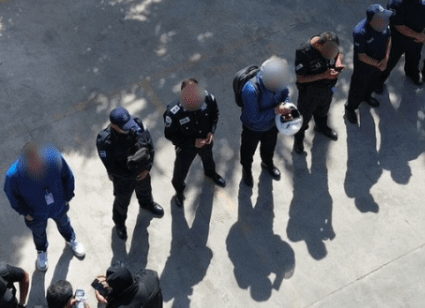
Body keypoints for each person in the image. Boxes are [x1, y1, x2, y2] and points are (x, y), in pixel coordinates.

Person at [4, 143, 86, 272]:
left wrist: (67, 196)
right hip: (35, 214)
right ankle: (41, 251)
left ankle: (71, 239)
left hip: (58, 205)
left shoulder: (54, 158)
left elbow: (68, 176)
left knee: (65, 223)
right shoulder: (13, 176)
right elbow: (13, 198)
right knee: (39, 233)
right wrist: (25, 213)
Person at [98, 107, 165, 241]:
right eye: (124, 126)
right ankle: (120, 224)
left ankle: (147, 204)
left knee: (145, 190)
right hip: (123, 178)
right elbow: (111, 167)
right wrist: (129, 176)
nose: (129, 128)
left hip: (142, 171)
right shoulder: (105, 141)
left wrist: (147, 168)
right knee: (121, 202)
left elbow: (149, 146)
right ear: (115, 126)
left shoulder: (137, 124)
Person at [163, 79, 227, 207]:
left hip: (206, 141)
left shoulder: (208, 99)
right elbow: (170, 135)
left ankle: (210, 174)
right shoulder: (173, 112)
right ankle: (179, 192)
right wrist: (192, 142)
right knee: (180, 173)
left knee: (208, 160)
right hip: (186, 148)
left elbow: (215, 114)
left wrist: (211, 132)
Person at [240, 57, 293, 186]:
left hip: (271, 126)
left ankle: (267, 163)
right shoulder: (250, 90)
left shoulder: (279, 80)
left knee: (269, 148)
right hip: (253, 129)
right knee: (247, 152)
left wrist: (286, 104)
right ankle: (246, 170)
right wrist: (275, 111)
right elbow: (254, 117)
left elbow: (285, 93)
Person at [292, 33, 343, 154]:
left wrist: (338, 65)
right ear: (319, 46)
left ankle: (321, 127)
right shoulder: (304, 53)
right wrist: (323, 75)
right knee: (303, 119)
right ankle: (298, 141)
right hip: (310, 94)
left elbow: (339, 55)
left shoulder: (330, 43)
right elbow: (300, 78)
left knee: (323, 111)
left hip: (327, 90)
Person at [382, 0, 425, 87]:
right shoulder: (397, 2)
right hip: (399, 39)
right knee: (390, 61)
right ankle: (379, 81)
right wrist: (418, 35)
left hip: (419, 36)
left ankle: (412, 73)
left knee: (415, 58)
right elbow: (399, 26)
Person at [344, 5, 393, 126]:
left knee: (372, 83)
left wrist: (386, 59)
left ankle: (367, 97)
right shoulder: (360, 32)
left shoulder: (383, 23)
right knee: (357, 89)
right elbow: (362, 56)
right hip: (364, 67)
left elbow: (389, 39)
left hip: (379, 64)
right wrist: (378, 64)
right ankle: (350, 108)